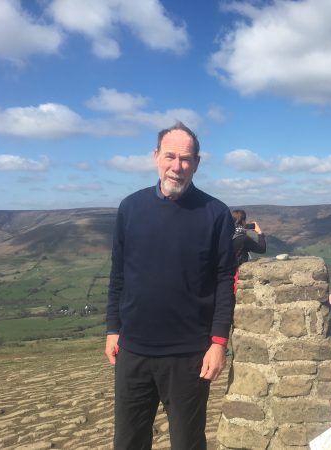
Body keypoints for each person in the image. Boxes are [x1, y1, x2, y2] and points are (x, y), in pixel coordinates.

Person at [105, 121, 236, 449]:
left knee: (187, 443)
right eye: (170, 157)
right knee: (128, 441)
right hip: (133, 351)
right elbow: (118, 273)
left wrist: (218, 342)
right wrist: (112, 328)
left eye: (186, 159)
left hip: (189, 354)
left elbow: (225, 279)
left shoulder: (216, 213)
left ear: (197, 163)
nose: (177, 167)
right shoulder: (130, 208)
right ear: (155, 157)